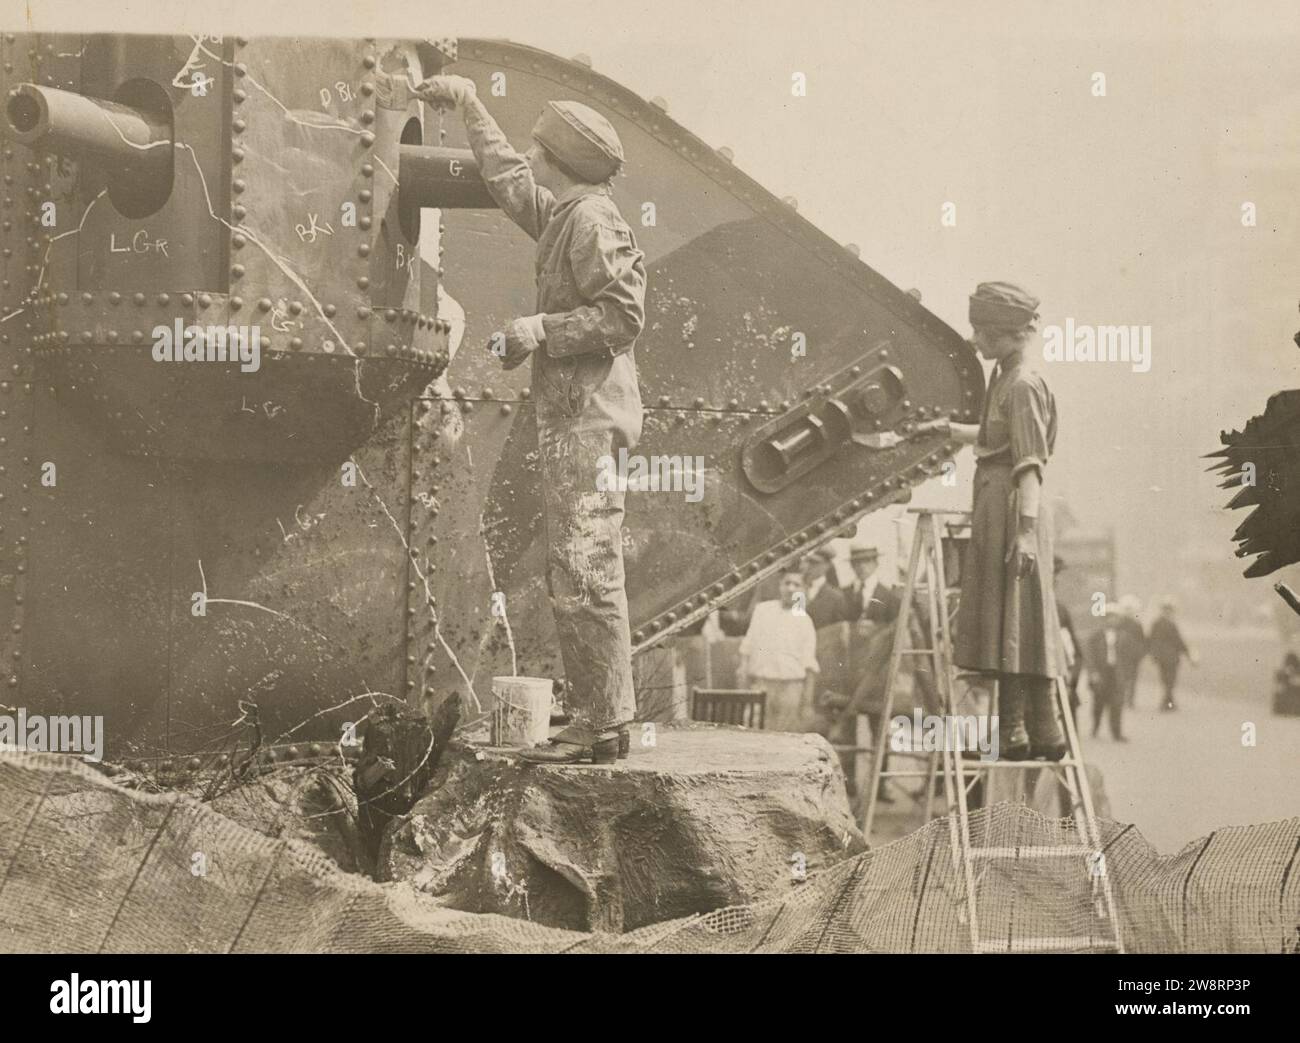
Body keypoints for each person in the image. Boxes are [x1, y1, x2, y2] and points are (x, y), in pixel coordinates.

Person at [416, 75, 645, 764]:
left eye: (540, 146)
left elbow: (623, 316)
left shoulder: (592, 223)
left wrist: (539, 329)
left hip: (588, 419)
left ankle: (602, 725)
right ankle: (606, 717)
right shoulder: (570, 213)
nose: (531, 155)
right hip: (579, 415)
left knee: (584, 566)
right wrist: (469, 105)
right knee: (578, 565)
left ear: (560, 157)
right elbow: (512, 181)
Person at [910, 282, 1066, 761]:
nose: (974, 340)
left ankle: (1025, 730)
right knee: (1009, 617)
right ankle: (1034, 733)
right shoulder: (1006, 375)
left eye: (982, 332)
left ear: (1006, 333)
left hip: (1015, 507)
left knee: (1018, 617)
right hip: (998, 503)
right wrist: (949, 431)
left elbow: (1030, 465)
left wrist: (1024, 533)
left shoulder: (1022, 384)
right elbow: (996, 434)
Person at [737, 568, 820, 732]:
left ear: (803, 589)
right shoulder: (762, 611)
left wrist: (807, 703)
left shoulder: (805, 621)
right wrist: (743, 680)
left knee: (784, 735)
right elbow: (747, 647)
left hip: (790, 688)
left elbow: (809, 666)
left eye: (796, 585)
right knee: (752, 730)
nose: (790, 588)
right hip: (761, 685)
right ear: (780, 585)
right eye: (787, 583)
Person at [1087, 607, 1128, 741]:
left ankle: (1116, 732)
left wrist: (1125, 672)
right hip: (1101, 672)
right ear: (1104, 619)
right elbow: (1090, 656)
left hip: (1116, 672)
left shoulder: (1123, 635)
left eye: (1115, 617)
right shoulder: (1096, 635)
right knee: (1098, 703)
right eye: (1109, 617)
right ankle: (1095, 727)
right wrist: (1093, 672)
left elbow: (1128, 655)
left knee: (1117, 703)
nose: (1112, 620)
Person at [1147, 598, 1195, 710]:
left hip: (1161, 656)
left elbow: (1151, 640)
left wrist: (1153, 655)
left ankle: (1169, 702)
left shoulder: (1156, 623)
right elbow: (1178, 641)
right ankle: (1166, 703)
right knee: (1170, 680)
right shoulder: (1170, 624)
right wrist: (1188, 654)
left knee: (1166, 680)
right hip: (1171, 656)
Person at [1054, 556, 1083, 726]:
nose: (1056, 580)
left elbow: (1074, 652)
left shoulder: (1060, 610)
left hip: (1062, 684)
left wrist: (1072, 682)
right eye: (1053, 573)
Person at [845, 545, 901, 624]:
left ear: (876, 563)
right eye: (857, 562)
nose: (862, 566)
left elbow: (893, 628)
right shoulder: (842, 594)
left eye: (867, 561)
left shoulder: (889, 597)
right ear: (852, 565)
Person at [803, 547, 850, 629]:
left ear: (827, 566)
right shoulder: (794, 589)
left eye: (815, 563)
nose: (809, 567)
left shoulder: (836, 597)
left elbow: (837, 630)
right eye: (808, 562)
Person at [1115, 594, 1147, 710]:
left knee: (1132, 678)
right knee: (1124, 677)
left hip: (1133, 656)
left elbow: (1142, 641)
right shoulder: (1119, 624)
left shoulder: (1136, 625)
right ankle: (1124, 699)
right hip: (1122, 656)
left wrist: (1140, 653)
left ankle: (1130, 700)